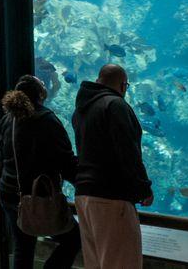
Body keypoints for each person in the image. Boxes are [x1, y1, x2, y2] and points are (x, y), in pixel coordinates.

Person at [72, 64, 153, 269]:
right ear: (123, 85)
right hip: (111, 199)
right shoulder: (115, 105)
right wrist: (143, 188)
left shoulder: (81, 109)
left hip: (84, 196)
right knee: (122, 263)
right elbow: (128, 152)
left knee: (96, 263)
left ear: (99, 81)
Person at [0, 75, 81, 269]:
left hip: (9, 193)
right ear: (40, 95)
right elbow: (65, 160)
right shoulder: (46, 120)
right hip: (38, 197)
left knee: (23, 247)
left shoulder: (8, 119)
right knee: (73, 239)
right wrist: (82, 182)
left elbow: (1, 155)